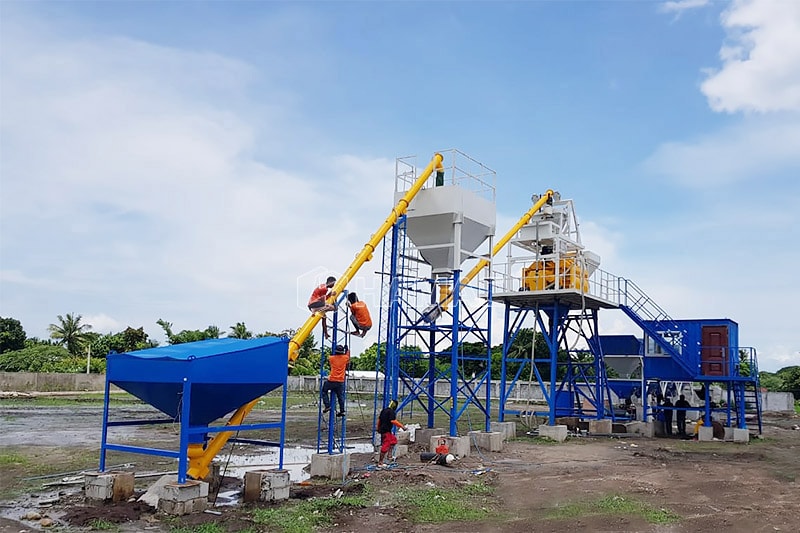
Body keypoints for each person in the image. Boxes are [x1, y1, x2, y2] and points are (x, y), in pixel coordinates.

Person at [321, 344, 349, 417]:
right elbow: (348, 355)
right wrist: (347, 349)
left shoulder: (331, 358)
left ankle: (327, 405)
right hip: (340, 381)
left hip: (332, 380)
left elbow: (330, 355)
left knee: (324, 391)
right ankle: (342, 411)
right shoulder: (345, 358)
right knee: (341, 397)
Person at [377, 399, 407, 467]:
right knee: (385, 446)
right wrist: (402, 426)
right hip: (386, 431)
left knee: (393, 441)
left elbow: (379, 420)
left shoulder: (384, 410)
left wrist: (378, 428)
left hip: (385, 430)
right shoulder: (391, 412)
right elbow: (393, 421)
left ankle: (389, 456)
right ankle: (380, 462)